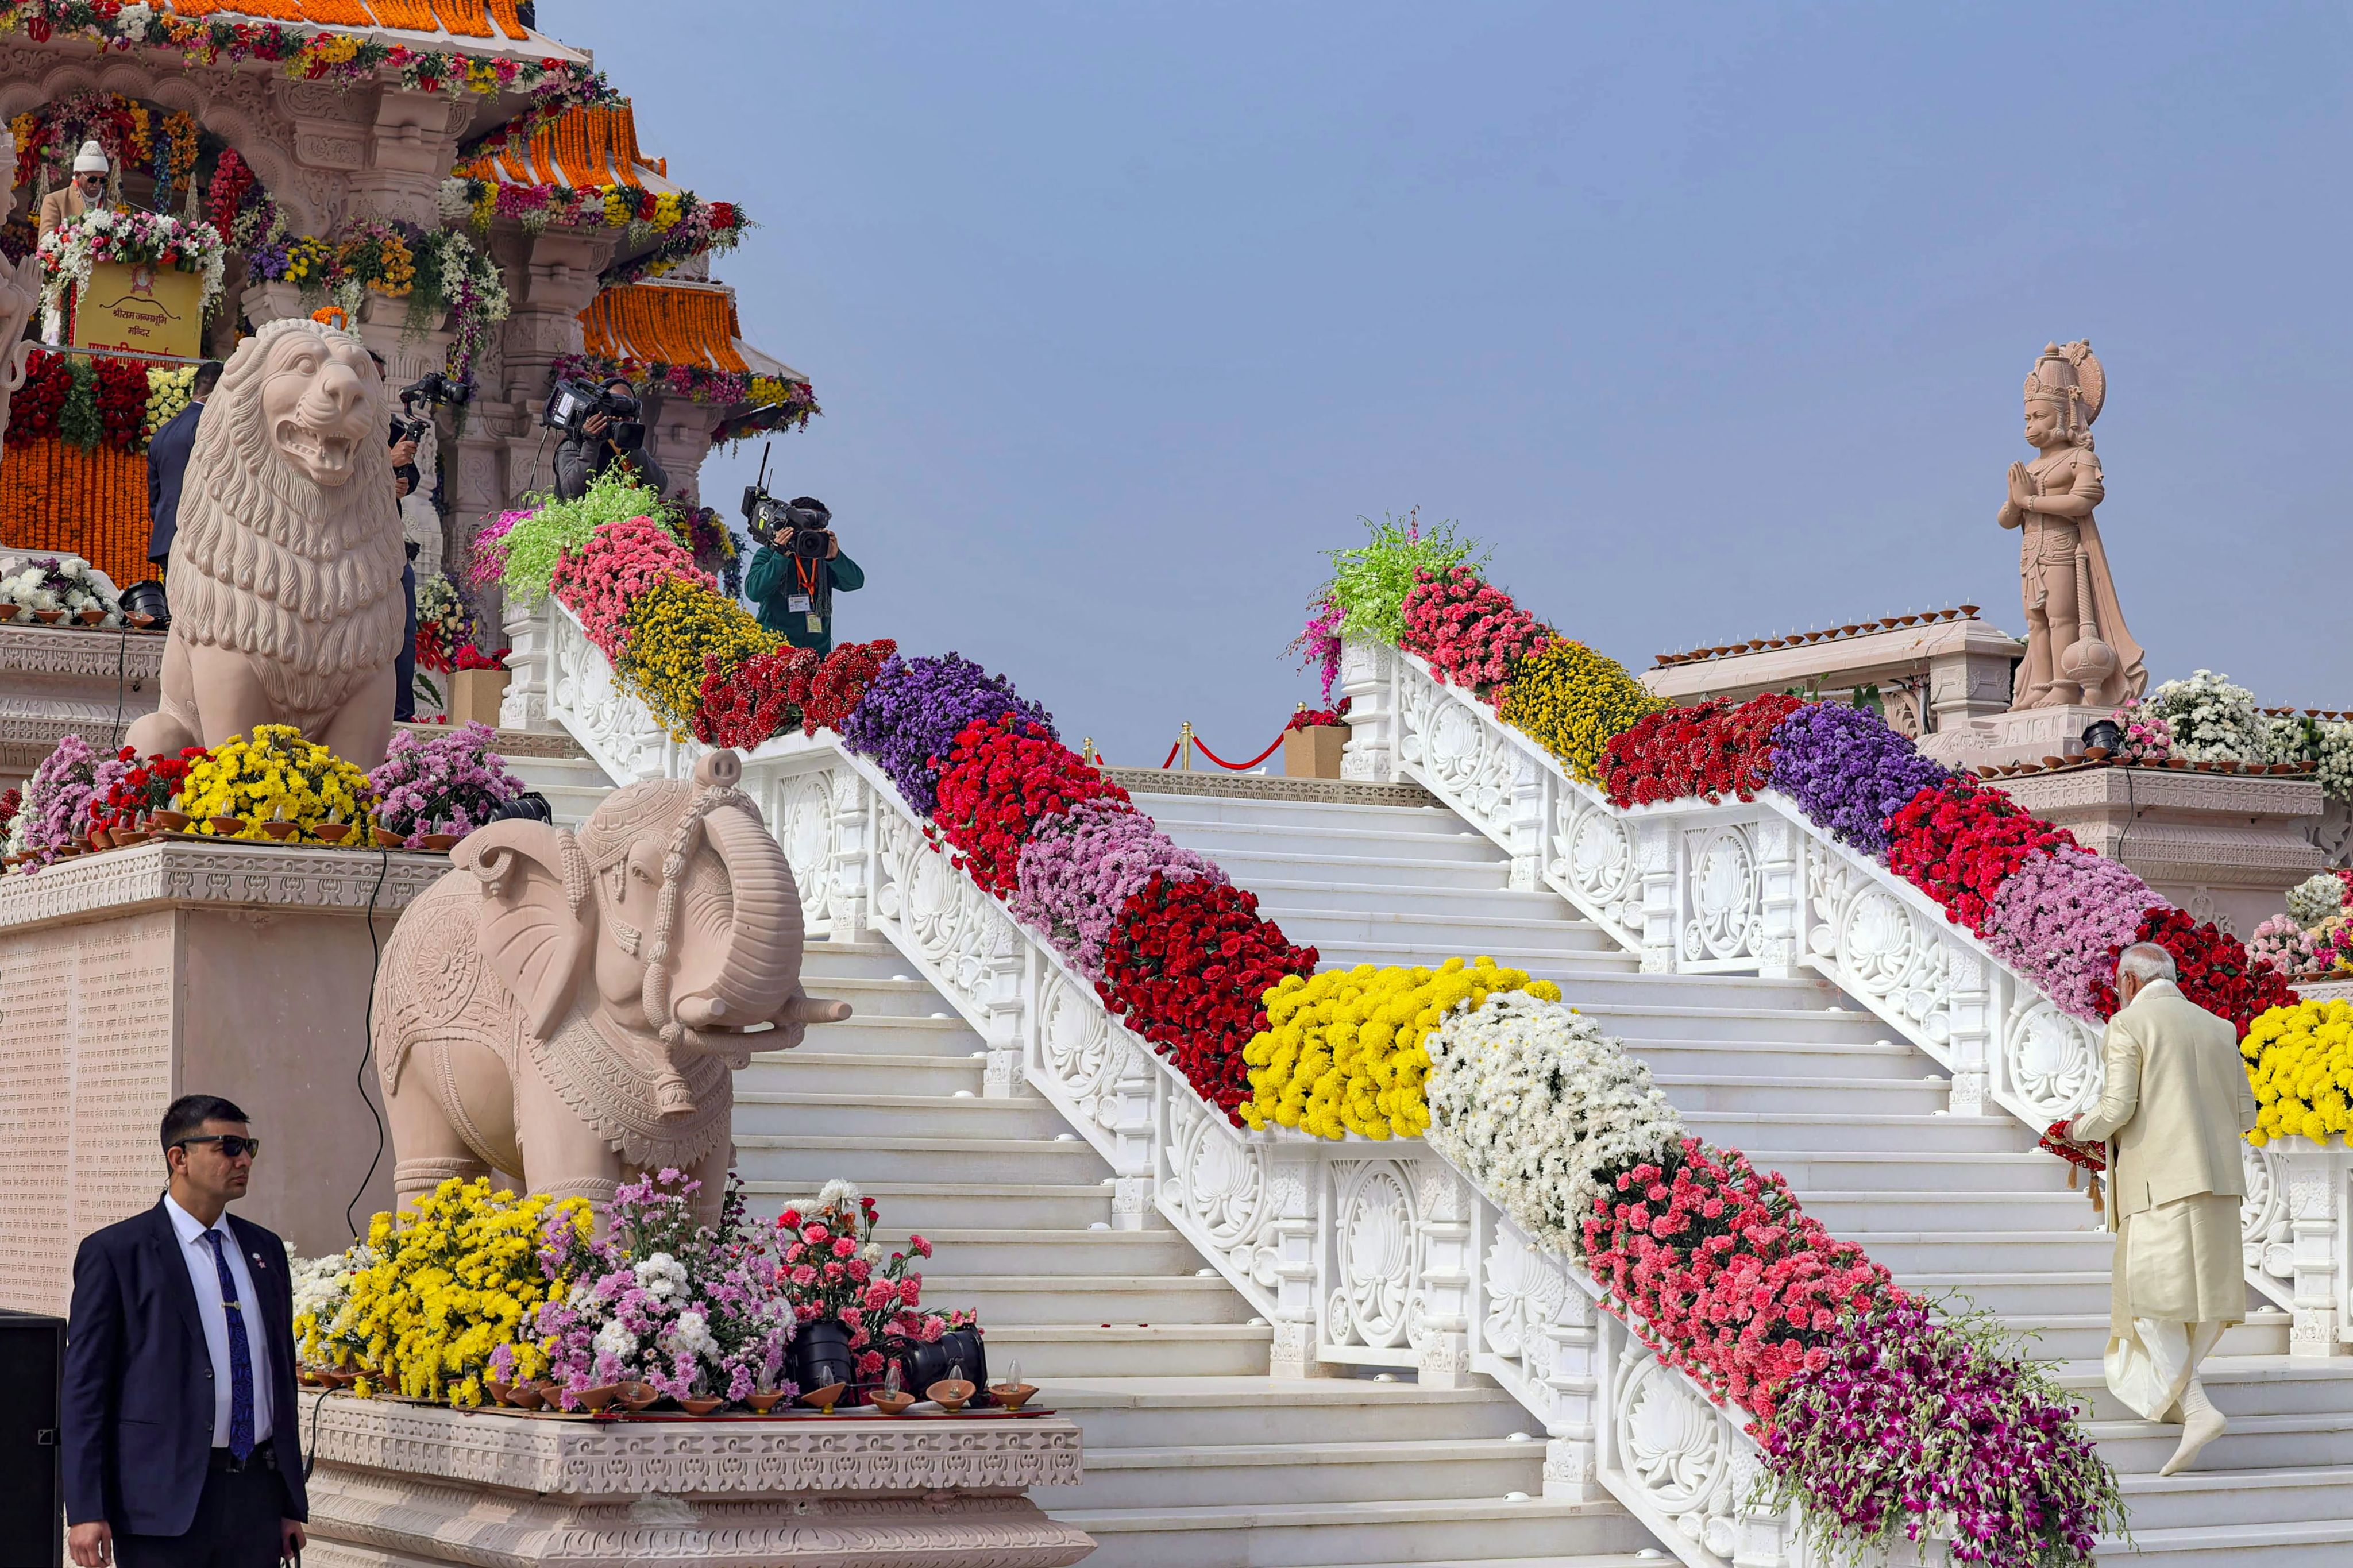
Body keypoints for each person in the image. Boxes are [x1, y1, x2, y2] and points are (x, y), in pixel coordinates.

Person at [62, 1095, 308, 1567]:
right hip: (161, 1505)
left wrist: (288, 1504)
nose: (245, 1160)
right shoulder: (117, 1253)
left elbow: (278, 1378)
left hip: (254, 1497)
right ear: (180, 1158)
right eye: (229, 1147)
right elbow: (85, 1391)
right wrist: (86, 1510)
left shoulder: (265, 1251)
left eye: (249, 1147)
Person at [2067, 942, 2258, 1476]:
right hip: (2219, 1185)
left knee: (2147, 1297)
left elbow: (2116, 1108)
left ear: (2128, 981)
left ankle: (2195, 1408)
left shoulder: (2129, 1024)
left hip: (2159, 1186)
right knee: (2198, 1300)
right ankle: (2184, 1402)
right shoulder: (2220, 1028)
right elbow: (2247, 1113)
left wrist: (2073, 1130)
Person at [370, 352, 422, 722]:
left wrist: (403, 478)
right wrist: (386, 464)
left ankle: (402, 715)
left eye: (381, 377)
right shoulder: (334, 425)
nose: (377, 383)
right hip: (347, 548)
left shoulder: (388, 425)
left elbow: (410, 476)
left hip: (390, 543)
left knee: (403, 628)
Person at [745, 507, 863, 656]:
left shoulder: (824, 558)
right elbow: (753, 591)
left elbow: (855, 582)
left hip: (816, 658)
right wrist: (780, 556)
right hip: (774, 655)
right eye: (805, 531)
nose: (809, 538)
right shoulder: (770, 553)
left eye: (817, 530)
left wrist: (836, 557)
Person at [145, 360, 224, 570]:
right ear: (221, 391)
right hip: (203, 538)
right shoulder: (208, 427)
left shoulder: (162, 433)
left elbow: (155, 499)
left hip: (168, 538)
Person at [551, 375, 668, 500]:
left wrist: (631, 444)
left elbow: (659, 486)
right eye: (616, 411)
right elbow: (572, 495)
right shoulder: (574, 443)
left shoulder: (630, 446)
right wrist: (591, 444)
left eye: (627, 412)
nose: (620, 418)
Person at [40, 140, 107, 240]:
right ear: (78, 175)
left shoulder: (109, 204)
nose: (97, 184)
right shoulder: (55, 201)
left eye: (102, 180)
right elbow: (44, 246)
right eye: (92, 179)